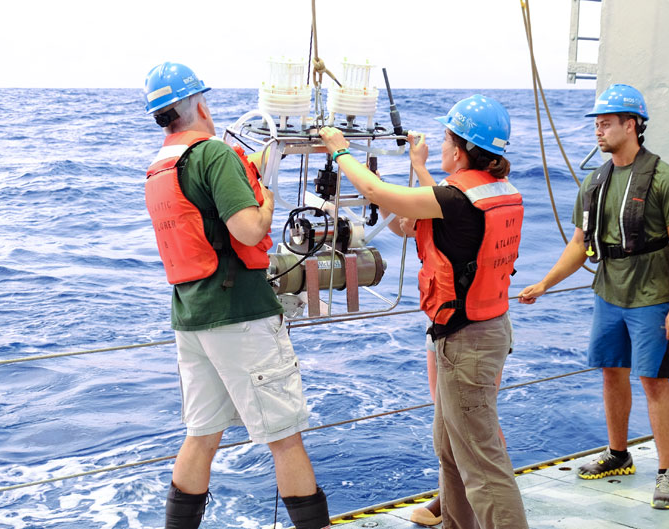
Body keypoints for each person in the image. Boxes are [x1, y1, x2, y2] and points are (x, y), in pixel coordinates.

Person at [319, 94, 528, 529]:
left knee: (483, 466)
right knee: (451, 447)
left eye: (449, 138)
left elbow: (377, 192)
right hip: (482, 330)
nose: (444, 145)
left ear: (463, 149)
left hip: (466, 342)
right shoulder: (495, 191)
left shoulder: (456, 199)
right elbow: (432, 208)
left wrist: (339, 149)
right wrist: (419, 165)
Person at [142, 62, 331, 529]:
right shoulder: (214, 155)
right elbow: (249, 229)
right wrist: (266, 197)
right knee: (285, 436)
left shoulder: (160, 165)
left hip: (191, 317)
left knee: (202, 435)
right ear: (199, 104)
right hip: (240, 316)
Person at [519, 83, 669, 510]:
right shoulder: (595, 181)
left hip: (652, 298)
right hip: (608, 295)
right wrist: (544, 283)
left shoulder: (665, 178)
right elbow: (580, 244)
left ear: (631, 125)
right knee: (611, 372)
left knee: (654, 381)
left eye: (606, 124)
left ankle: (668, 472)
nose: (598, 132)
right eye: (596, 125)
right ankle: (619, 455)